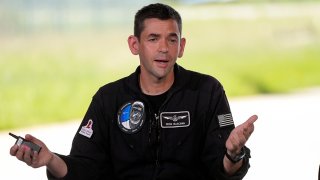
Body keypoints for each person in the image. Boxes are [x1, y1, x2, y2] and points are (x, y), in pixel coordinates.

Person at [10, 3, 258, 180]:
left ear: (181, 46)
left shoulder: (206, 91)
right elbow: (86, 169)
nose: (163, 48)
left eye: (172, 39)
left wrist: (233, 154)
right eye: (153, 38)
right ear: (134, 44)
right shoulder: (109, 99)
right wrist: (50, 159)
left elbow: (223, 169)